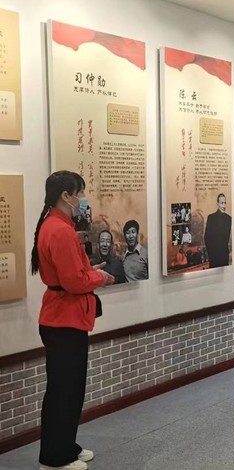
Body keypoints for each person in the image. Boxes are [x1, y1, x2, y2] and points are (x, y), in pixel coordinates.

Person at [30, 171, 115, 470]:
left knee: (69, 388)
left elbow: (72, 272)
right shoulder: (60, 230)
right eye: (80, 193)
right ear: (66, 196)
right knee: (64, 391)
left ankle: (65, 445)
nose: (82, 199)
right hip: (63, 320)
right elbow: (73, 282)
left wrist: (91, 271)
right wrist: (98, 278)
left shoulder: (55, 225)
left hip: (63, 319)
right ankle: (54, 458)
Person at [204, 193, 232, 268]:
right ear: (217, 204)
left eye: (225, 203)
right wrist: (211, 255)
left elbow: (227, 238)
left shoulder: (229, 219)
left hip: (224, 257)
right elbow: (206, 238)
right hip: (214, 258)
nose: (224, 206)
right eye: (222, 203)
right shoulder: (211, 218)